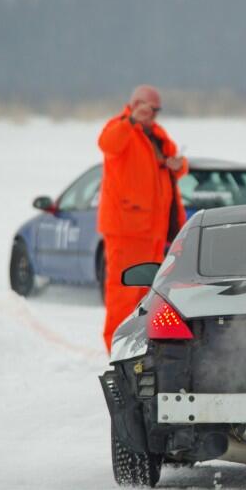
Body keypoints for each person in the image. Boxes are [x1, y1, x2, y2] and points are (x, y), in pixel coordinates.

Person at [97, 85, 188, 353]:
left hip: (155, 231)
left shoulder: (157, 135)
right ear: (136, 105)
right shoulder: (120, 128)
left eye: (157, 111)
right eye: (150, 110)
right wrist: (132, 120)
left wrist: (178, 165)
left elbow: (177, 162)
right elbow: (107, 144)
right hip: (126, 229)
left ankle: (140, 347)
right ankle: (115, 349)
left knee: (148, 295)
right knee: (123, 293)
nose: (154, 116)